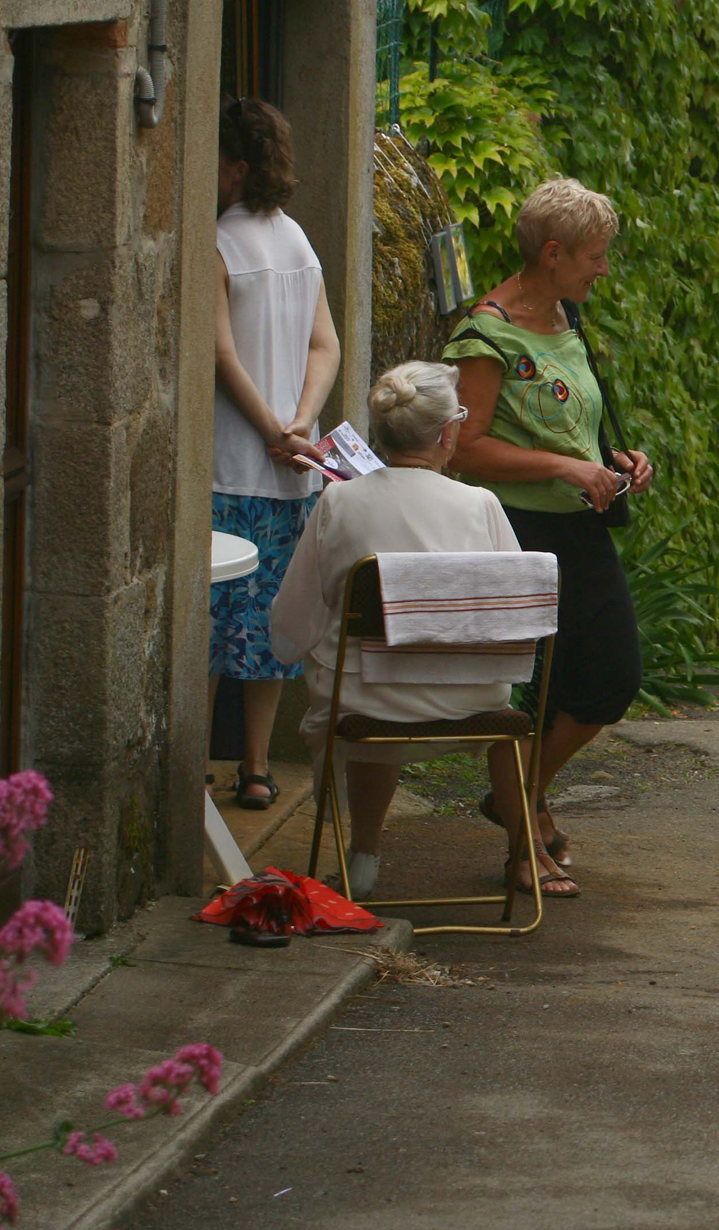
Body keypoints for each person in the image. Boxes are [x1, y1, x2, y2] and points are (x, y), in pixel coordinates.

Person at [269, 363, 554, 898]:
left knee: (367, 672)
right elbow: (519, 618)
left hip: (363, 704)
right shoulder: (481, 505)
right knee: (393, 670)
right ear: (447, 434)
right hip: (474, 704)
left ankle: (363, 857)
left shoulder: (339, 502)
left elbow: (290, 627)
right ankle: (525, 855)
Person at [445, 179, 653, 885]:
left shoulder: (568, 317)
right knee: (524, 693)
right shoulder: (485, 333)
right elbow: (463, 447)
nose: (603, 269)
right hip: (513, 531)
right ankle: (522, 843)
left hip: (580, 530)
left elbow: (576, 422)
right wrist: (566, 465)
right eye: (594, 256)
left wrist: (614, 462)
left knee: (611, 678)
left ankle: (521, 799)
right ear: (554, 253)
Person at [210, 96, 341, 811]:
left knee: (208, 620)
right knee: (265, 627)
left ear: (235, 168)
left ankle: (193, 763)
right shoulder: (298, 241)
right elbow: (327, 343)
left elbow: (221, 354)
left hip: (232, 464)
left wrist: (269, 429)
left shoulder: (220, 245)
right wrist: (302, 422)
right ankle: (257, 769)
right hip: (295, 477)